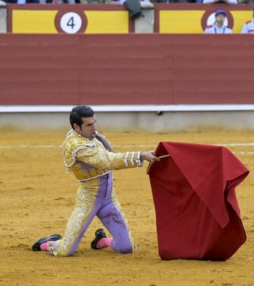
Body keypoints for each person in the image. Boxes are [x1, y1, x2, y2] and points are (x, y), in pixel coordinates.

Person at [32, 105, 159, 256]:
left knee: (127, 248)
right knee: (65, 251)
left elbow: (110, 154)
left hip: (108, 200)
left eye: (94, 122)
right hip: (89, 200)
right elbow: (108, 160)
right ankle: (46, 244)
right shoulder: (76, 146)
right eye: (89, 125)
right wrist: (140, 156)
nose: (94, 128)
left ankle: (101, 241)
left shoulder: (91, 136)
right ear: (76, 127)